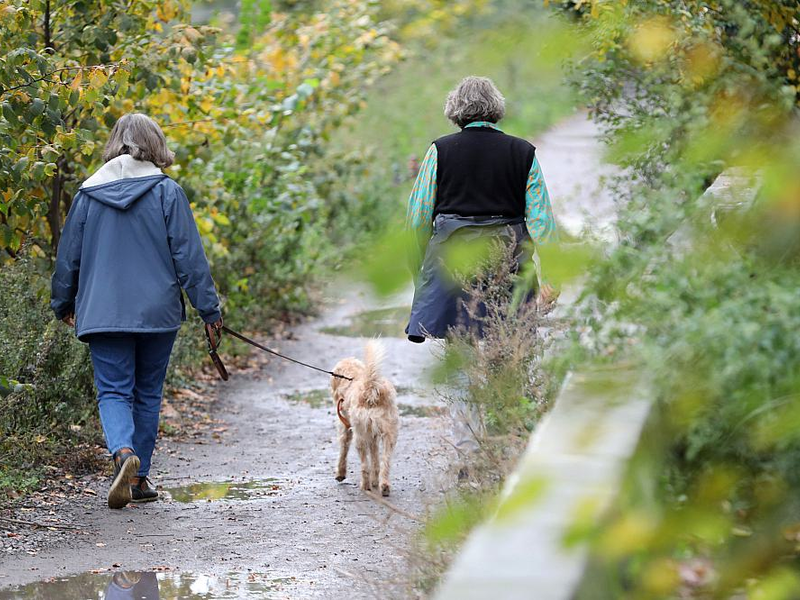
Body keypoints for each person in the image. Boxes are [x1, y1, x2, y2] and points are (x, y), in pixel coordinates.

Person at [51, 113, 222, 509]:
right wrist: (209, 311)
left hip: (103, 311)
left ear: (115, 143)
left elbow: (68, 258)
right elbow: (189, 258)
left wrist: (63, 303)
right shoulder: (167, 192)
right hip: (157, 312)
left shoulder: (87, 195)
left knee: (113, 390)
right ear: (156, 145)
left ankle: (123, 453)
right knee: (147, 392)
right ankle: (138, 478)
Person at [404, 76, 556, 459]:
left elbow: (418, 218)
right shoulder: (523, 153)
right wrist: (552, 277)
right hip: (510, 265)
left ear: (456, 110)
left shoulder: (439, 151)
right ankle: (507, 448)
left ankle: (469, 454)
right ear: (496, 109)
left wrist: (422, 274)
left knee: (462, 361)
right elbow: (542, 222)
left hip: (453, 266)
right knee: (510, 356)